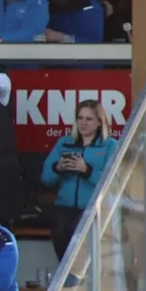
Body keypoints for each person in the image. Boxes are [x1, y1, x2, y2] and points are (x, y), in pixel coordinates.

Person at [41, 100, 117, 259]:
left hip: (93, 211)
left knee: (87, 259)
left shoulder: (110, 145)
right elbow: (46, 178)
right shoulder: (64, 142)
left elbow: (114, 183)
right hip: (64, 209)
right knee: (64, 258)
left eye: (89, 119)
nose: (83, 123)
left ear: (99, 122)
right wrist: (58, 169)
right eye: (80, 118)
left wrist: (87, 170)